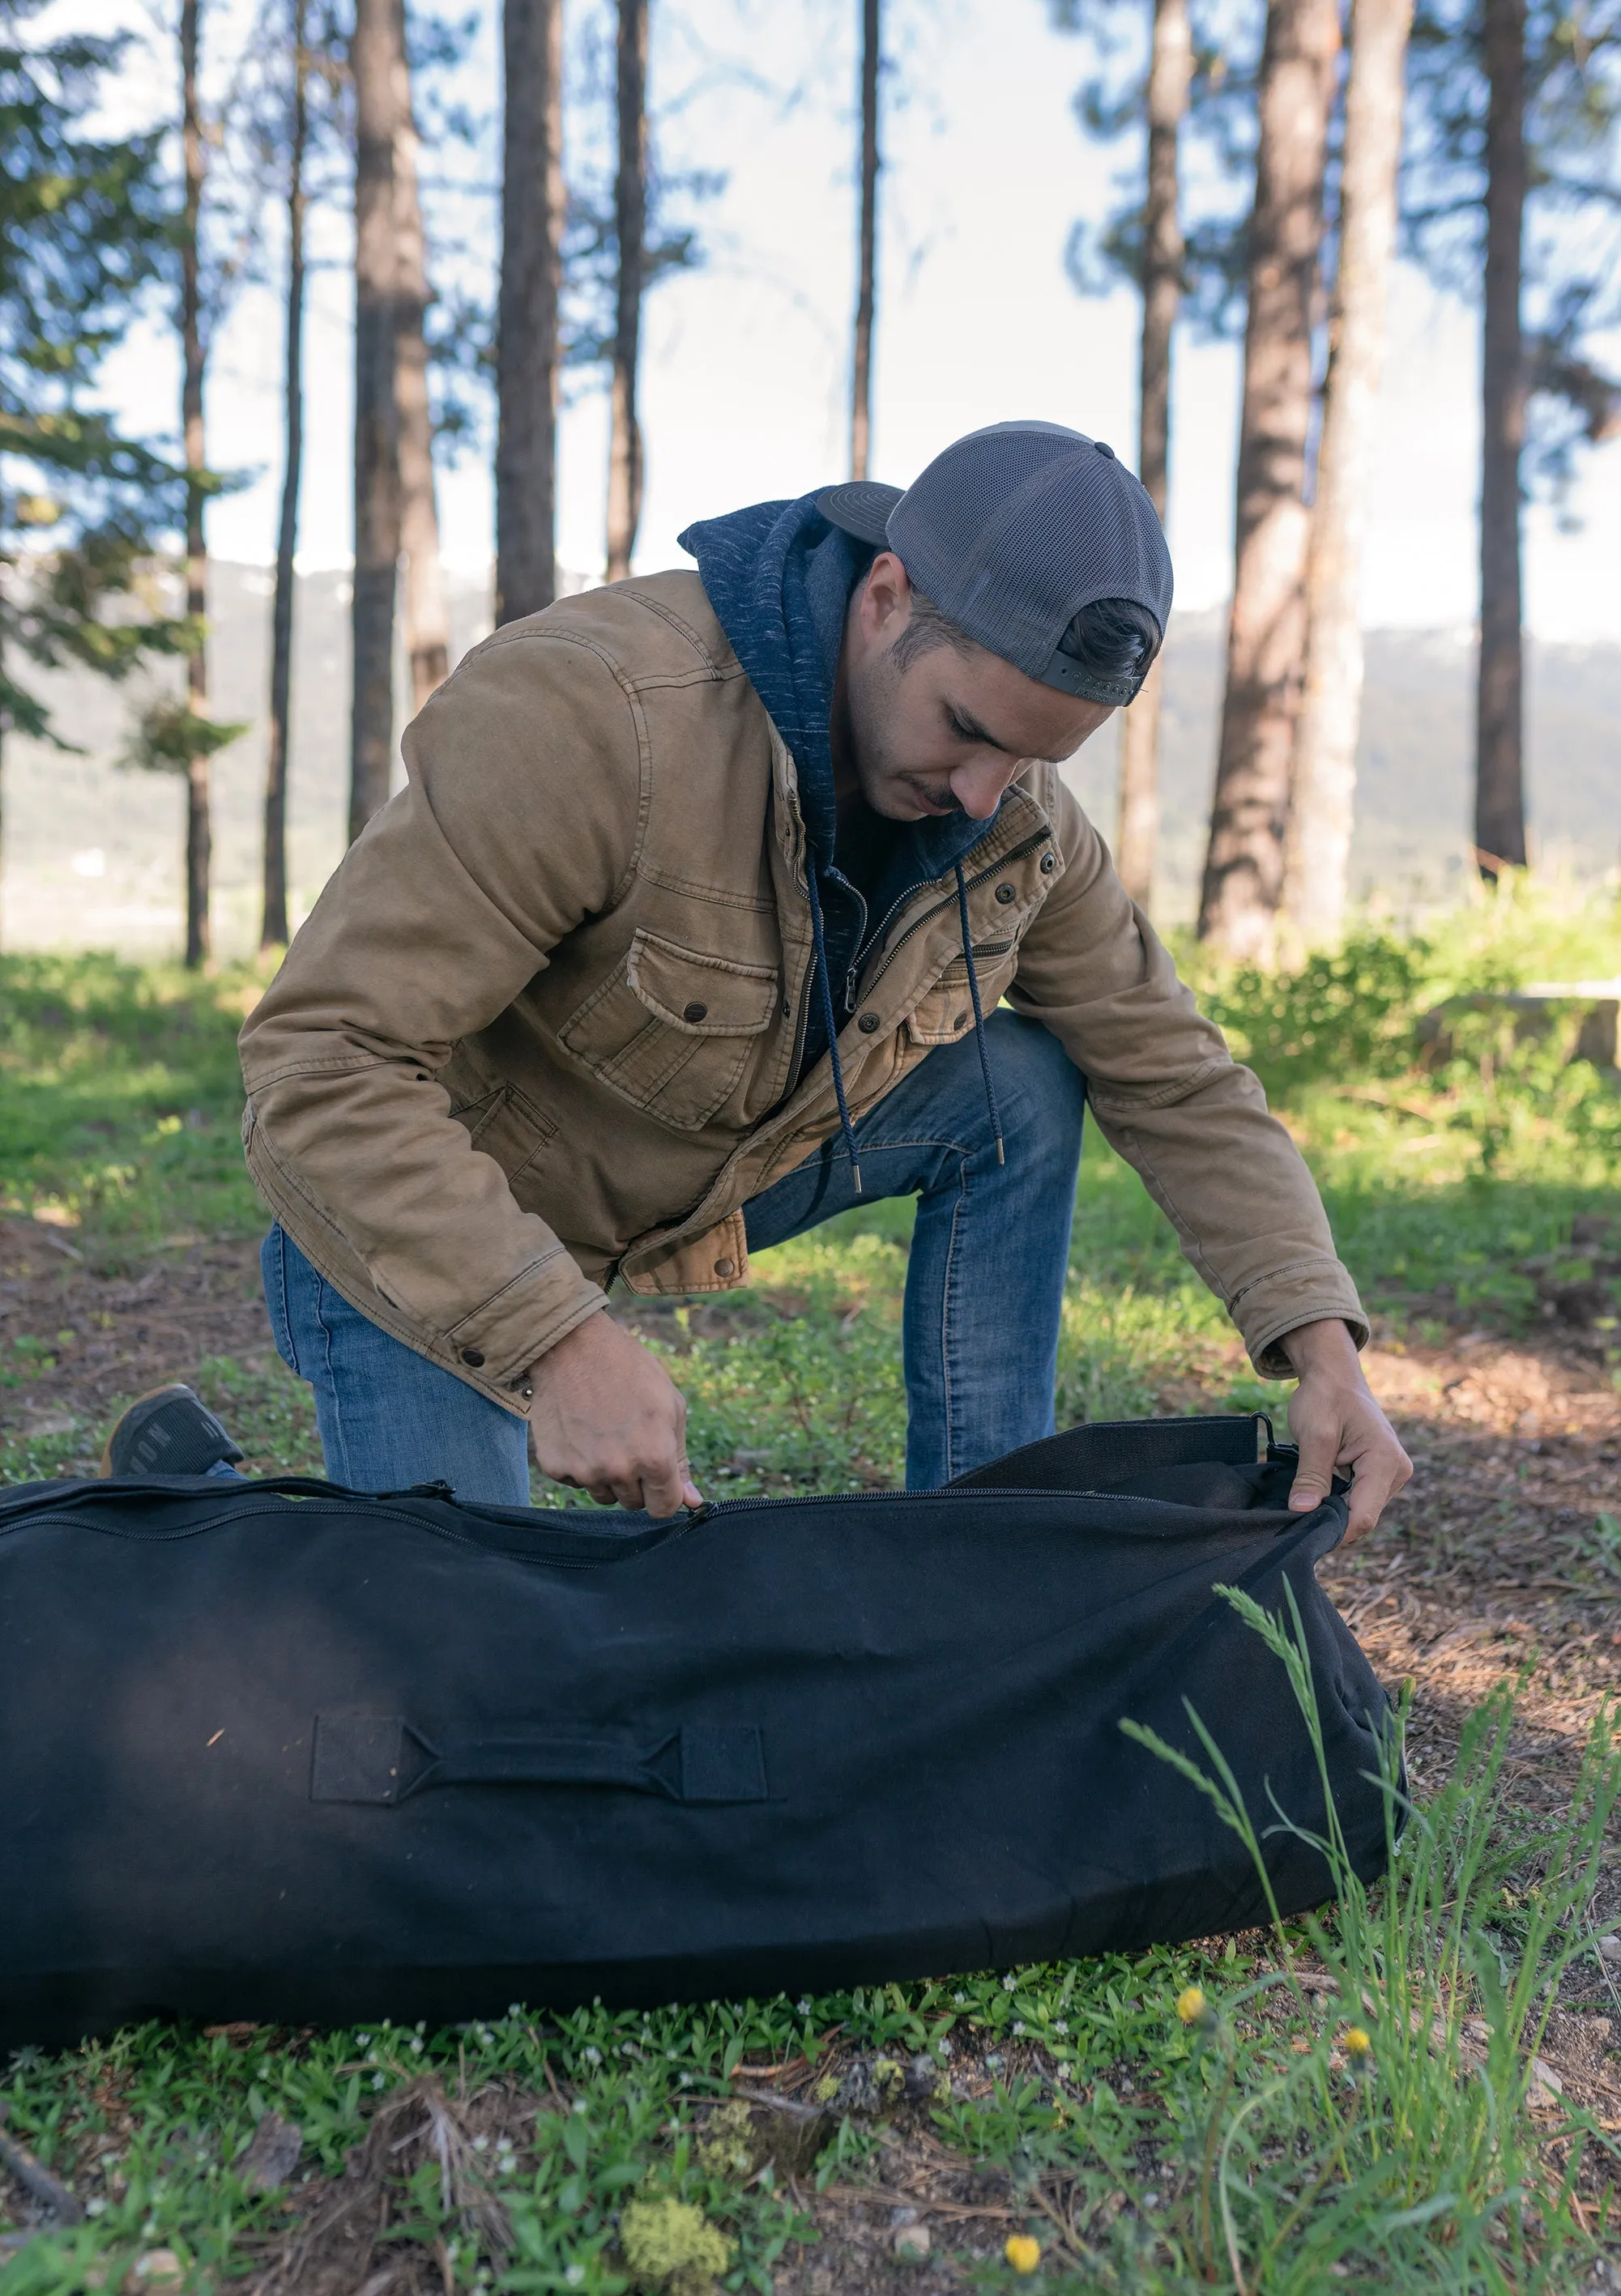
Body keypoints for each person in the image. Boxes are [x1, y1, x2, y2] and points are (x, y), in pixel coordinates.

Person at [230, 420, 1410, 1539]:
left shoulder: (1012, 816)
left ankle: (975, 1557)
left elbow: (1171, 1070)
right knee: (468, 1658)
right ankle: (206, 1505)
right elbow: (321, 1063)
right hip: (424, 1230)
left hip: (698, 1170)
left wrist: (1322, 1348)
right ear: (885, 597)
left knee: (1020, 1088)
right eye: (965, 727)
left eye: (1032, 758)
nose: (981, 795)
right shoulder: (594, 713)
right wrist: (558, 1341)